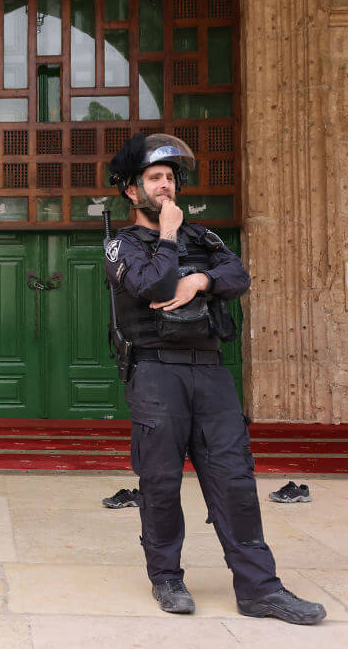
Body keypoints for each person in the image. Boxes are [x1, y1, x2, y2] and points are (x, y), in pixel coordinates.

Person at [103, 134, 325, 624]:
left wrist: (200, 279)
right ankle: (167, 579)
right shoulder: (121, 245)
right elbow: (149, 285)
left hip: (211, 373)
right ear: (132, 191)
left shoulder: (203, 238)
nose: (166, 186)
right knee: (160, 484)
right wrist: (165, 236)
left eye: (170, 178)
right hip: (157, 374)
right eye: (155, 178)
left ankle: (259, 589)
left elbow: (238, 275)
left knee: (235, 481)